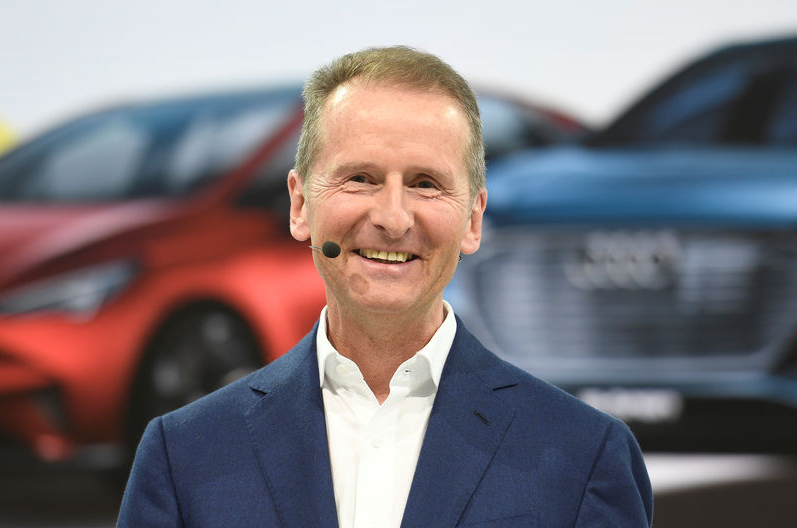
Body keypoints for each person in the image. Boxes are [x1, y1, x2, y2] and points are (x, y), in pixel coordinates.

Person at [118, 46, 653, 527]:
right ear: (301, 205)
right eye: (361, 179)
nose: (393, 218)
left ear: (473, 220)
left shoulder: (584, 457)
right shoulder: (184, 455)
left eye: (426, 184)